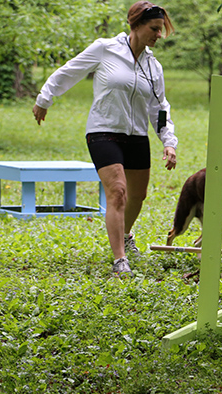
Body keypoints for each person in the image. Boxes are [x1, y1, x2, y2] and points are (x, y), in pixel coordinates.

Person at [33, 1, 178, 276]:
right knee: (118, 192)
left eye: (161, 30)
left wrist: (168, 141)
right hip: (104, 131)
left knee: (138, 195)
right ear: (135, 25)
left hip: (136, 135)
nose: (159, 35)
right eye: (154, 29)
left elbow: (159, 107)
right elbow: (69, 71)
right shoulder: (105, 48)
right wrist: (44, 98)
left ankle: (125, 235)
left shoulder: (153, 66)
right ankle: (119, 260)